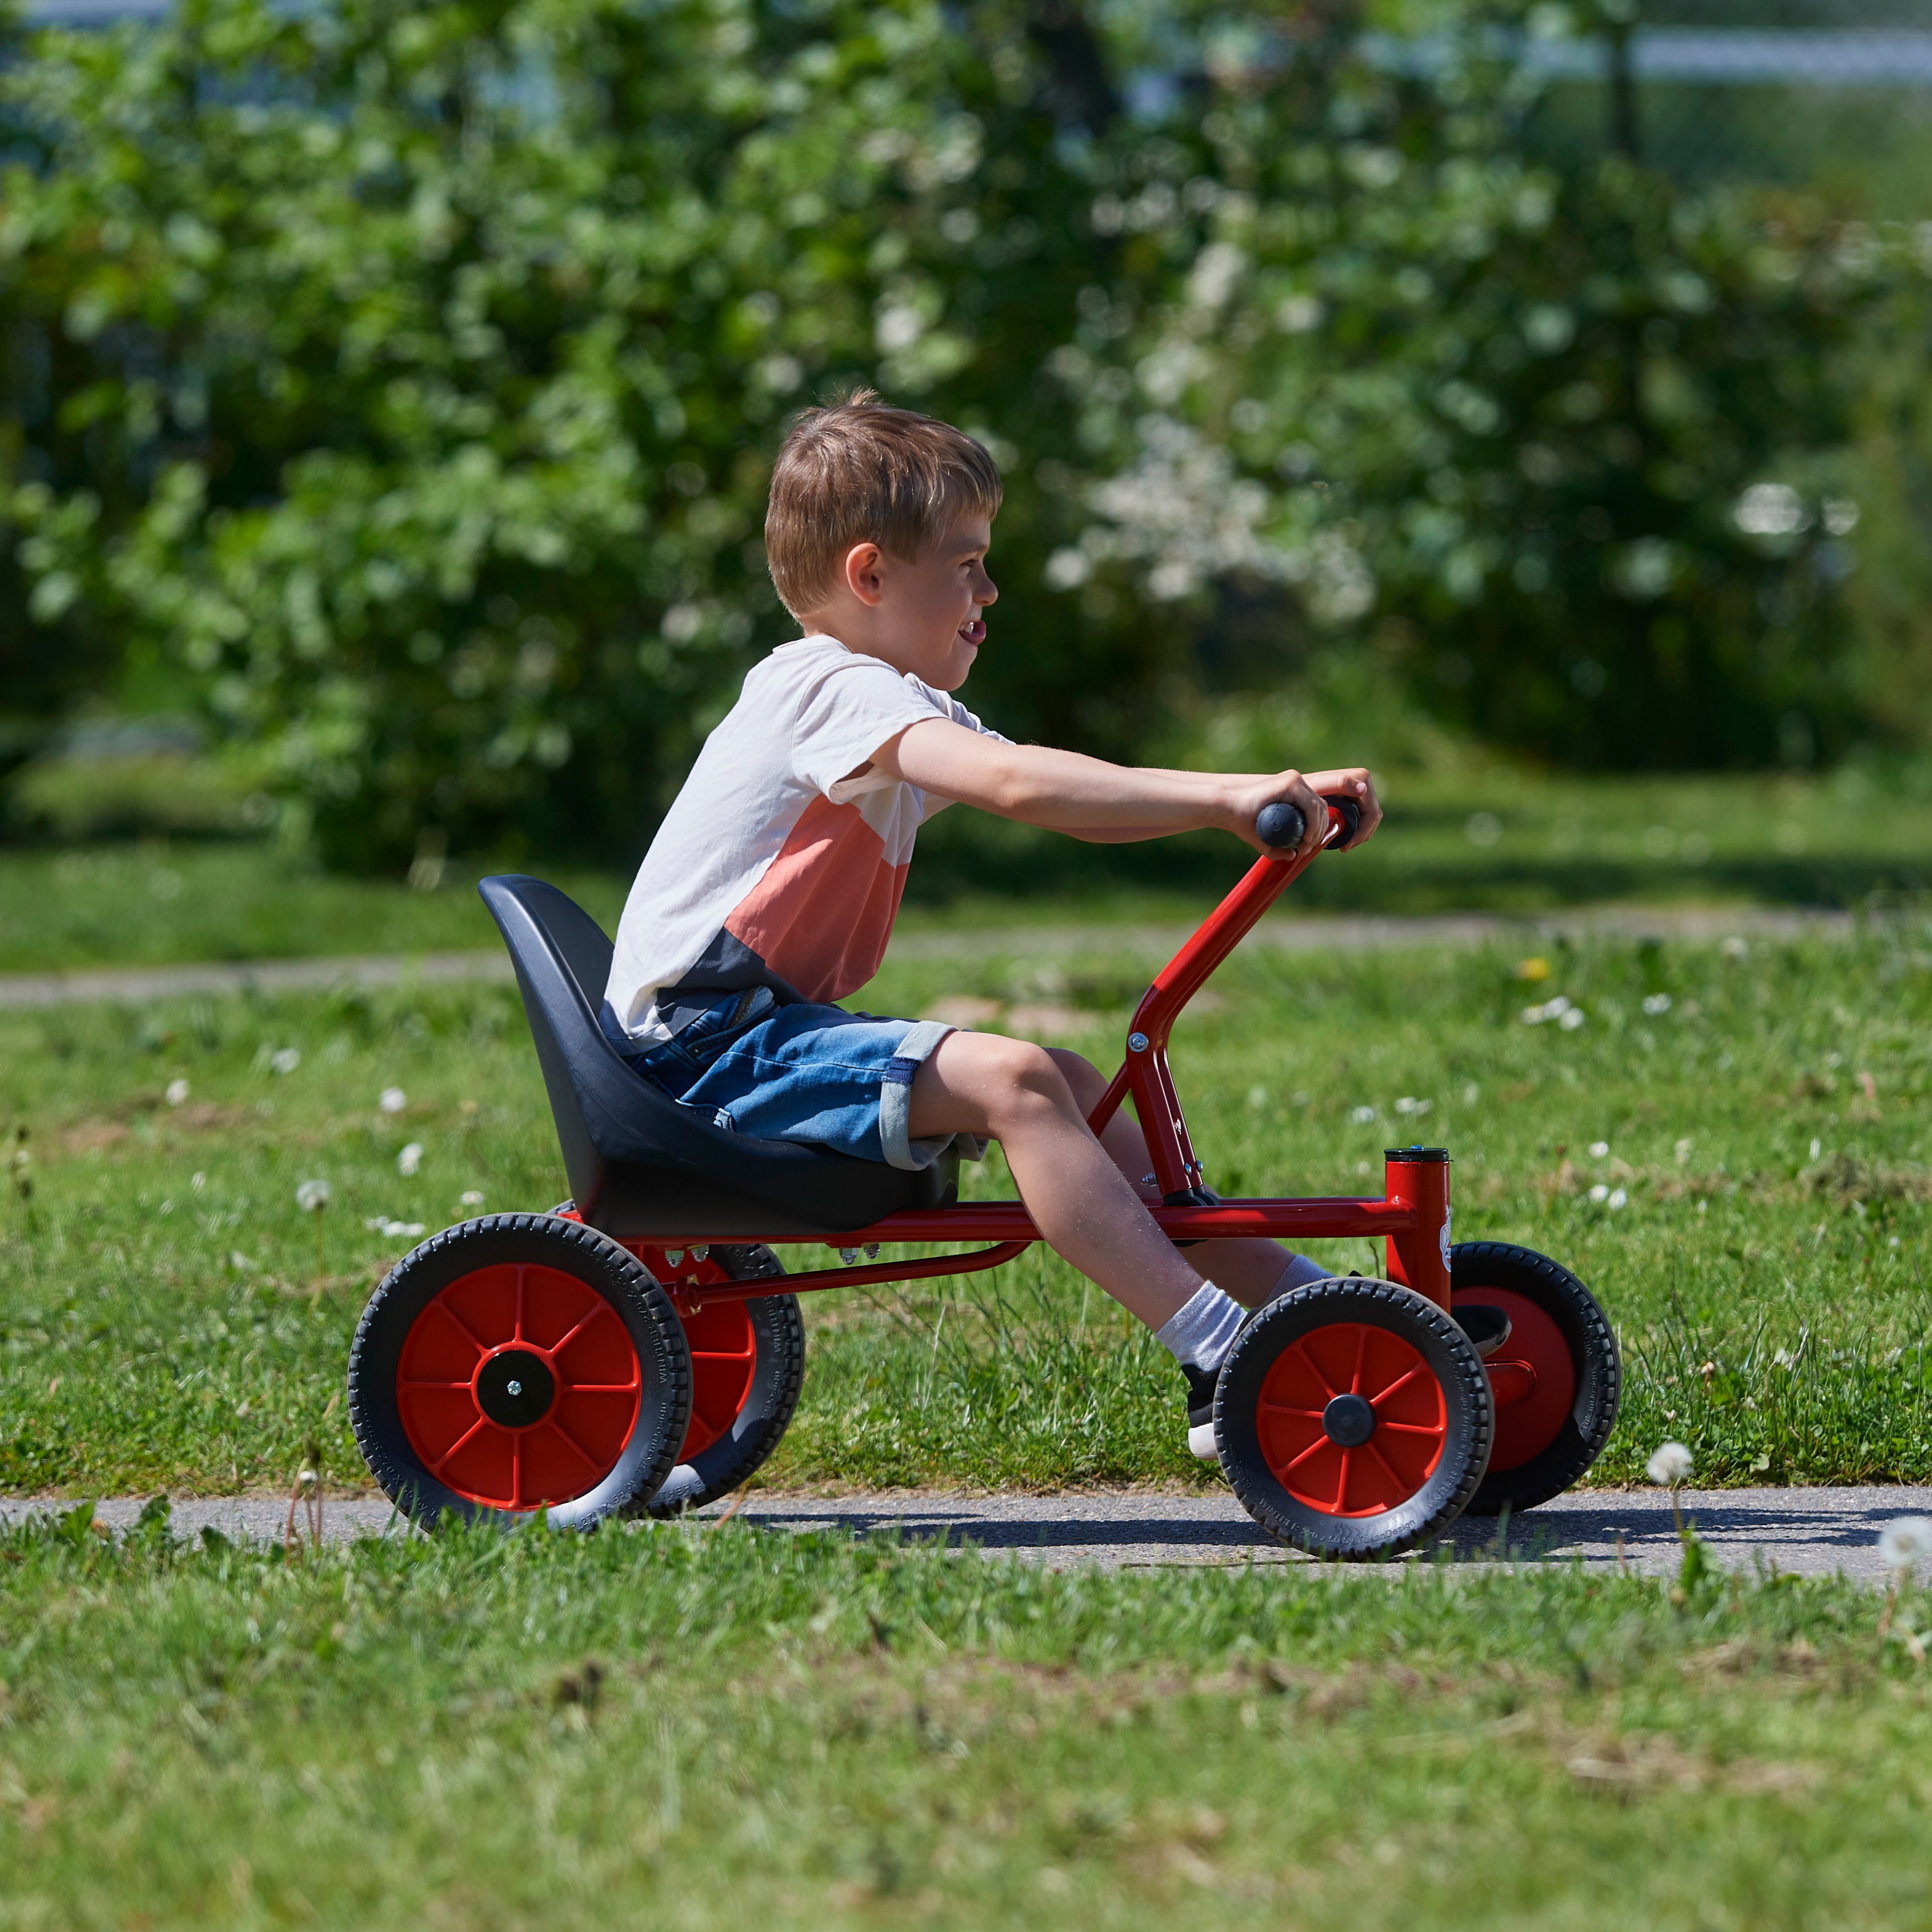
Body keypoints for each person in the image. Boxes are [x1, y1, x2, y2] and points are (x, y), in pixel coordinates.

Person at [603, 392, 1383, 1458]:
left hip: (750, 1031)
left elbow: (1067, 790)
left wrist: (1243, 791)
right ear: (869, 575)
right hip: (704, 1048)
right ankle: (1218, 1356)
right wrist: (1224, 799)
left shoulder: (885, 695)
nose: (989, 589)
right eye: (965, 564)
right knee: (1011, 1078)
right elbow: (1016, 783)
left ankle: (1312, 1307)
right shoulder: (829, 690)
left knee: (1066, 1078)